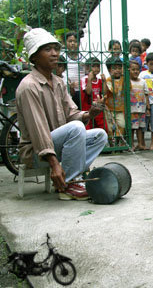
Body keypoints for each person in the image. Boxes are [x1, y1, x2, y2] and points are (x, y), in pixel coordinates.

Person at [16, 28, 107, 200]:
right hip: (36, 151)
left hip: (58, 143)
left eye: (56, 49)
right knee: (76, 128)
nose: (54, 54)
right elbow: (38, 131)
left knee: (100, 135)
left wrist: (90, 114)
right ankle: (70, 185)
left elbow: (72, 113)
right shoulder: (29, 86)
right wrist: (54, 163)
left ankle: (73, 175)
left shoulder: (58, 82)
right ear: (34, 57)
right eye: (47, 49)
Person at [80, 56, 108, 131]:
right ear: (87, 67)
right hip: (87, 108)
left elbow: (104, 93)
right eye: (93, 66)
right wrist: (89, 79)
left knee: (103, 127)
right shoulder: (84, 79)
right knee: (88, 128)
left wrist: (104, 82)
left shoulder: (99, 80)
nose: (96, 69)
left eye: (98, 66)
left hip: (98, 108)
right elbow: (88, 92)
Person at [62, 31, 85, 109]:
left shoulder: (83, 57)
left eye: (75, 41)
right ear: (65, 43)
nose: (72, 43)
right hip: (67, 90)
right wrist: (68, 84)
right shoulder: (62, 57)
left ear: (79, 43)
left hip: (81, 90)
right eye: (70, 41)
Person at [105, 56, 125, 139]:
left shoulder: (124, 79)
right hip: (109, 109)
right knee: (109, 127)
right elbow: (114, 91)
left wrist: (124, 77)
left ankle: (118, 142)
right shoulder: (108, 80)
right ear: (109, 70)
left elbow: (129, 87)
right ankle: (111, 144)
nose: (118, 70)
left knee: (122, 125)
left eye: (119, 68)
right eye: (114, 68)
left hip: (120, 109)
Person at [129, 60, 147, 150]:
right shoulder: (128, 82)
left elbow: (146, 94)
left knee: (140, 128)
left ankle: (140, 144)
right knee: (132, 128)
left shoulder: (143, 82)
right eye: (133, 69)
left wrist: (148, 108)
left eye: (137, 69)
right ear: (128, 70)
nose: (136, 71)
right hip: (132, 109)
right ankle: (131, 144)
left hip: (142, 109)